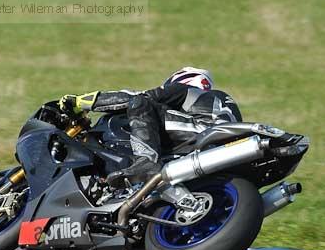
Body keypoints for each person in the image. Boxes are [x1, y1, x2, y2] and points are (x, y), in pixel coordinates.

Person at [59, 67, 241, 186]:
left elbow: (137, 97)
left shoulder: (184, 90)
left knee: (140, 103)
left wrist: (80, 102)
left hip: (204, 132)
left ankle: (145, 162)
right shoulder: (213, 101)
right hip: (215, 145)